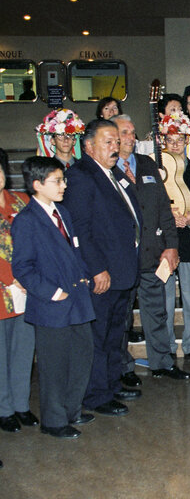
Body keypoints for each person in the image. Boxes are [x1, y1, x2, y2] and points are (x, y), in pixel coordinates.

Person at [62, 118, 142, 417]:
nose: (115, 146)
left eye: (116, 141)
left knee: (115, 334)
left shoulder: (112, 173)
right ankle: (96, 395)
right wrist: (96, 269)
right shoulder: (83, 175)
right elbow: (80, 228)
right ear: (88, 146)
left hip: (123, 270)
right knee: (99, 336)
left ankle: (111, 383)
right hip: (103, 274)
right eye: (107, 141)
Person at [12, 157, 95, 438]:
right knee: (54, 365)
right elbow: (22, 267)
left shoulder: (63, 213)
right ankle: (54, 420)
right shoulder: (26, 221)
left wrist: (84, 274)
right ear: (37, 185)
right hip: (52, 304)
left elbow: (75, 248)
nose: (63, 186)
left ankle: (72, 409)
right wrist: (52, 292)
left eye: (63, 180)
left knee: (82, 356)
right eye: (56, 181)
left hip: (77, 299)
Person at [113, 115, 188, 382]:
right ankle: (122, 368)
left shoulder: (146, 164)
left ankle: (162, 363)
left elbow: (164, 210)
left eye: (133, 132)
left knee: (156, 312)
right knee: (121, 317)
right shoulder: (108, 170)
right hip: (122, 258)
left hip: (152, 254)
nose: (130, 138)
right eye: (124, 133)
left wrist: (172, 246)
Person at [159, 113, 190, 366]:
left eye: (180, 139)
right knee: (166, 298)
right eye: (170, 139)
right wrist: (168, 218)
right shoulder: (156, 172)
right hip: (164, 244)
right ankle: (166, 346)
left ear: (188, 140)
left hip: (189, 241)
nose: (175, 144)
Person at [0, 153, 35, 434]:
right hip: (2, 292)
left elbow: (37, 237)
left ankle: (21, 404)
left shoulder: (21, 201)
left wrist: (27, 276)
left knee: (23, 351)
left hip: (25, 291)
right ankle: (4, 409)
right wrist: (12, 277)